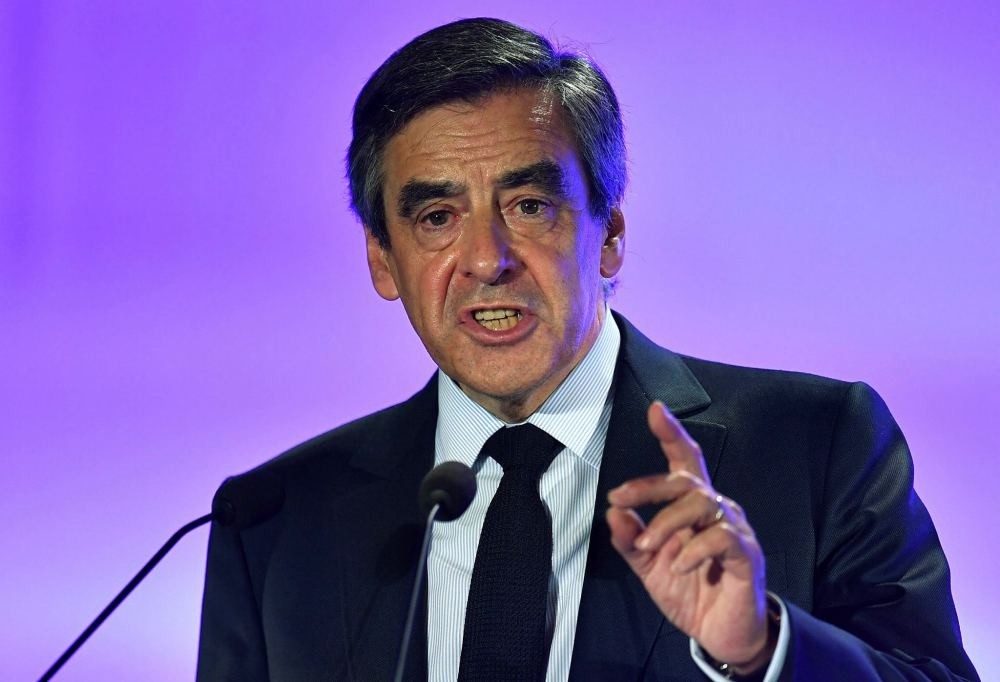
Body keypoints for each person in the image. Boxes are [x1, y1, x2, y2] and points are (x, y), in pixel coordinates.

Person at [196, 17, 979, 682]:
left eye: (529, 205)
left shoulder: (816, 445)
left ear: (609, 237)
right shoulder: (273, 524)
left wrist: (763, 651)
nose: (485, 259)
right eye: (436, 217)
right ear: (382, 260)